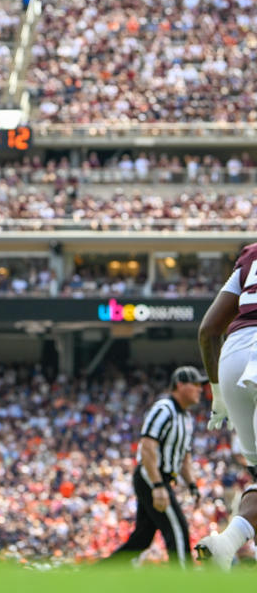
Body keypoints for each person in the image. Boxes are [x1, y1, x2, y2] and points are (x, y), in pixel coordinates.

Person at [196, 242, 257, 568]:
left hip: (233, 356)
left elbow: (208, 331)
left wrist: (218, 393)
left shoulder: (251, 254)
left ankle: (229, 544)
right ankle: (229, 543)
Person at [107, 366, 204, 567]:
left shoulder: (185, 418)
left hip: (161, 477)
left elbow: (184, 456)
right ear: (180, 385)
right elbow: (148, 445)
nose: (200, 389)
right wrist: (158, 485)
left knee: (142, 539)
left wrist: (192, 485)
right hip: (151, 475)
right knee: (177, 530)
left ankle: (97, 575)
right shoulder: (164, 408)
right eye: (195, 384)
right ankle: (184, 582)